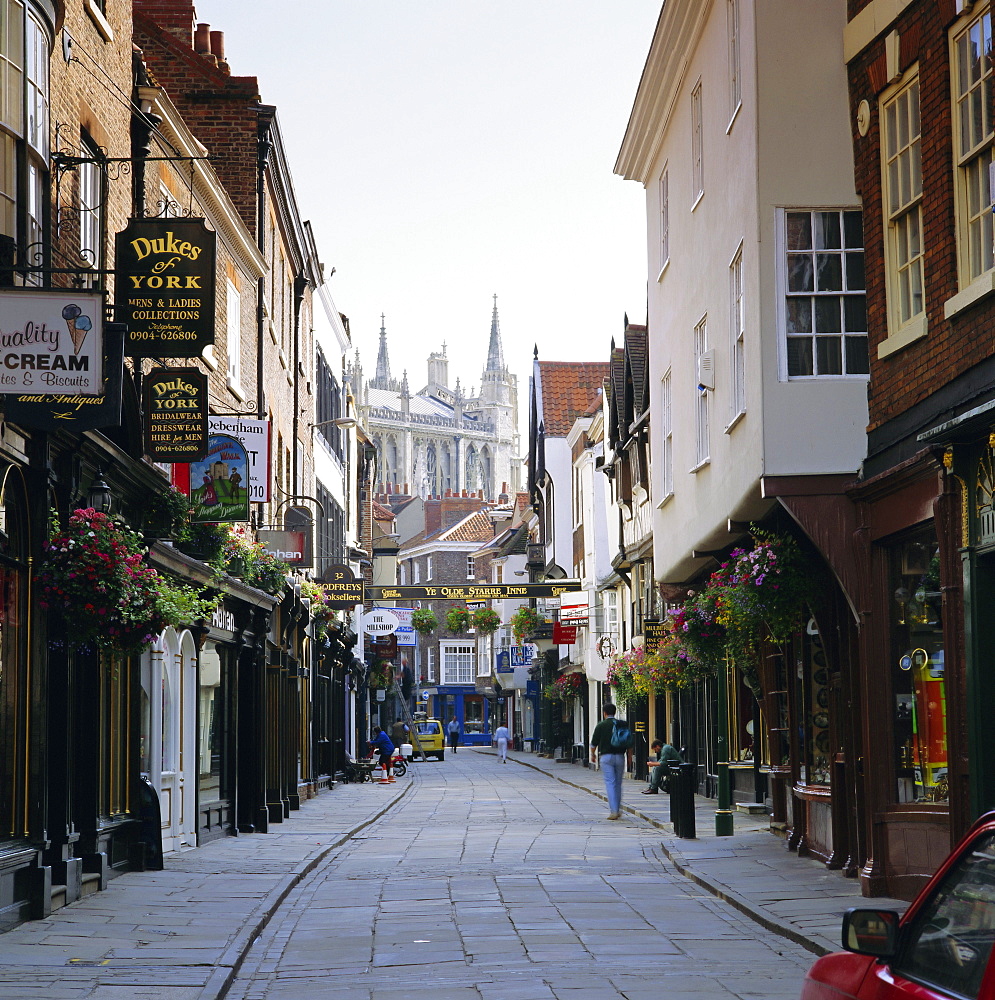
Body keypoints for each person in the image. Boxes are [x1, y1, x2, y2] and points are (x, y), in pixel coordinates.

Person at [590, 703, 627, 820]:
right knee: (618, 784)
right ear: (614, 712)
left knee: (610, 783)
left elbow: (593, 743)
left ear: (604, 713)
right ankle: (618, 808)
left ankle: (614, 811)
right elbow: (629, 741)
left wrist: (592, 754)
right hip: (620, 756)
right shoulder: (622, 724)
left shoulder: (601, 725)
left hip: (606, 757)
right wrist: (630, 758)